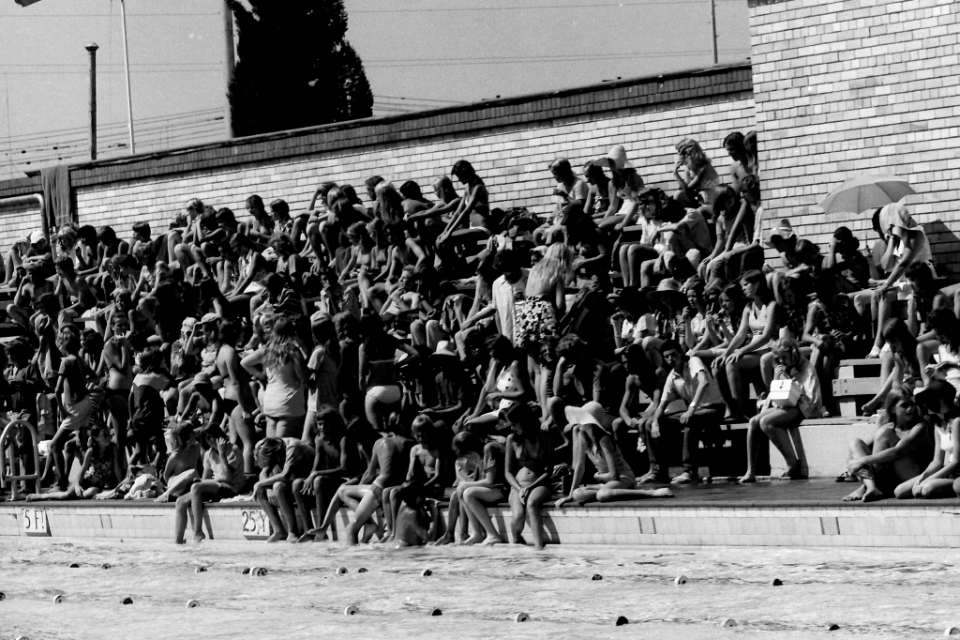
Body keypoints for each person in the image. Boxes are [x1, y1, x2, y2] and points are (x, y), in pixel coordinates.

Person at [642, 340, 726, 484]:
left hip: (713, 408)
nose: (670, 359)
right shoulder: (672, 376)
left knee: (690, 420)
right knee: (650, 423)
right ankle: (658, 471)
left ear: (681, 353)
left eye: (673, 355)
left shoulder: (693, 361)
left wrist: (691, 409)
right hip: (694, 411)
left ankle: (690, 471)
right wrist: (655, 421)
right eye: (667, 357)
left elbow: (703, 382)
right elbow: (662, 405)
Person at [556, 402, 673, 505]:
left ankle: (649, 493)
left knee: (602, 495)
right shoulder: (583, 435)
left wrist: (597, 476)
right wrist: (570, 494)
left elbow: (614, 475)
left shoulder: (603, 439)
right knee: (578, 494)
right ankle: (605, 489)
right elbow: (579, 466)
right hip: (607, 482)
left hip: (623, 477)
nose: (580, 422)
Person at [739, 338, 822, 483]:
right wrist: (777, 378)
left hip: (802, 406)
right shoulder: (781, 368)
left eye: (785, 357)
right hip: (785, 404)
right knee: (753, 421)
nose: (782, 361)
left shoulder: (806, 367)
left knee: (766, 422)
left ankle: (792, 463)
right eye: (779, 358)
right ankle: (750, 471)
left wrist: (786, 377)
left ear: (792, 354)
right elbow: (778, 392)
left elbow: (807, 396)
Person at [843, 390, 934, 502]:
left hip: (915, 474)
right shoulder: (889, 427)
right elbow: (859, 449)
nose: (910, 409)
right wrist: (851, 463)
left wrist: (862, 461)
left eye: (912, 404)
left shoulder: (920, 427)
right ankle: (871, 486)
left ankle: (866, 487)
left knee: (885, 437)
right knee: (855, 443)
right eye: (904, 405)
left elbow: (898, 452)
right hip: (891, 475)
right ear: (892, 409)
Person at [40, 328, 94, 490]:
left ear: (62, 345)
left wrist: (62, 410)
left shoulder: (66, 361)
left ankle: (62, 481)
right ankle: (91, 474)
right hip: (86, 401)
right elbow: (94, 376)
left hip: (75, 407)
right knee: (82, 444)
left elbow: (57, 390)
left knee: (55, 445)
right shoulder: (79, 359)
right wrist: (80, 382)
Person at [173, 424, 244, 544]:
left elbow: (228, 477)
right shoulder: (209, 454)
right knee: (180, 501)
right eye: (209, 438)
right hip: (216, 487)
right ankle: (178, 541)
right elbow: (205, 478)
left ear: (220, 435)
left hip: (231, 487)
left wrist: (222, 454)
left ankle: (198, 531)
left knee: (196, 487)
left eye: (214, 436)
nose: (213, 440)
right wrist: (203, 483)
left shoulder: (233, 450)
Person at [28, 422, 122, 501]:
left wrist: (121, 484)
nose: (108, 437)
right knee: (66, 495)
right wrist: (77, 485)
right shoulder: (91, 451)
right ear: (96, 438)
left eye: (109, 434)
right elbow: (82, 471)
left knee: (93, 491)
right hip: (85, 481)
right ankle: (42, 496)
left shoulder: (113, 448)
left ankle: (82, 495)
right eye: (104, 435)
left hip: (97, 486)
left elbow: (117, 468)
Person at [503, 402, 553, 549]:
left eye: (514, 424)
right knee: (518, 515)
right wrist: (519, 489)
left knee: (532, 504)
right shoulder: (512, 439)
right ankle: (516, 539)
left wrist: (531, 487)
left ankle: (539, 548)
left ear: (524, 422)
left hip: (539, 484)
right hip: (517, 486)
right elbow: (507, 471)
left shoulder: (544, 436)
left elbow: (548, 470)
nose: (511, 428)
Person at [253, 436, 316, 542]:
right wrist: (267, 488)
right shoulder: (270, 446)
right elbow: (263, 472)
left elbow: (285, 475)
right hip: (294, 481)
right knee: (261, 490)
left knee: (278, 486)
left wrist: (259, 483)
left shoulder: (292, 447)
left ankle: (293, 531)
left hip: (307, 482)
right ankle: (279, 531)